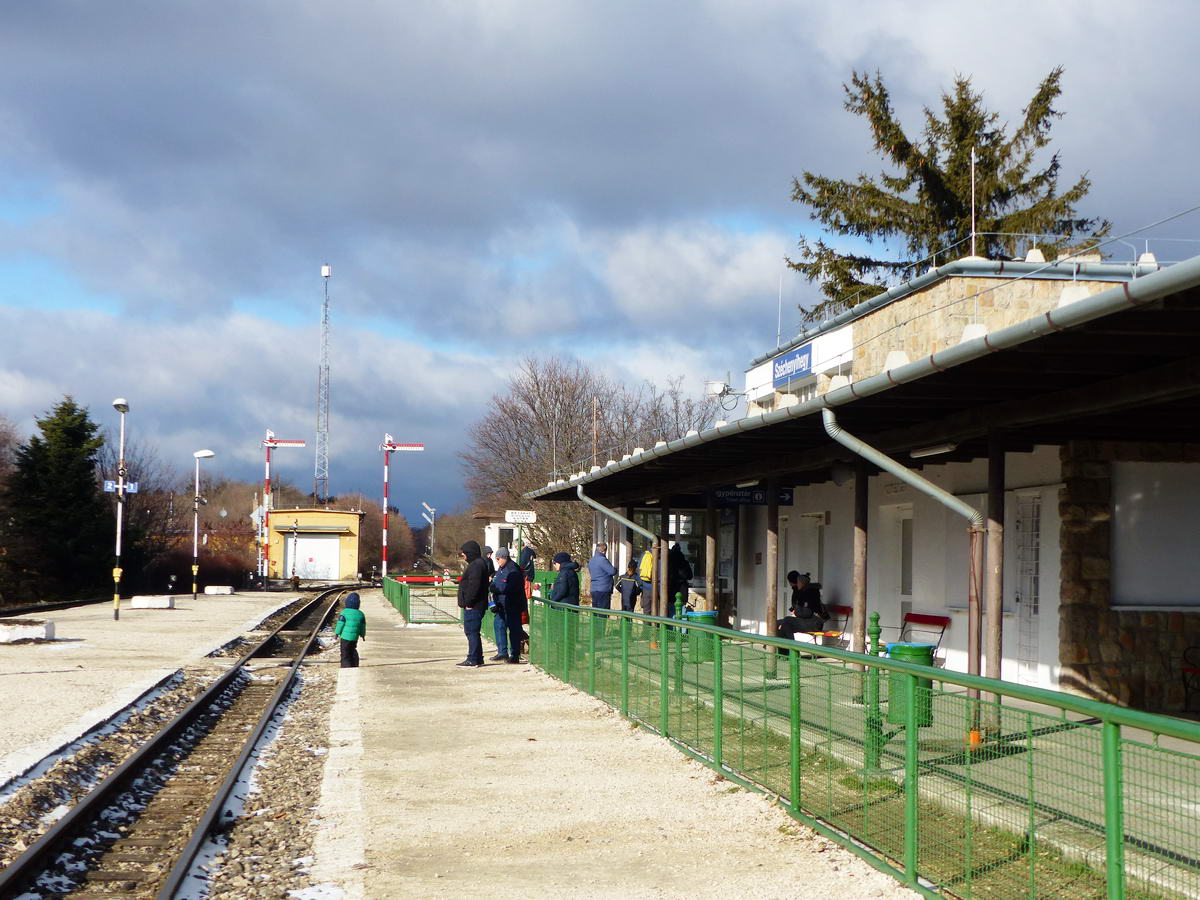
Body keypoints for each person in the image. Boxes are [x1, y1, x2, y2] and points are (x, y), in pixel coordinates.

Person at [490, 547, 528, 663]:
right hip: (501, 605)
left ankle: (515, 654)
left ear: (504, 558)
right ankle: (502, 652)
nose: (497, 561)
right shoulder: (501, 569)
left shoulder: (513, 570)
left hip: (512, 605)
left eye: (498, 559)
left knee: (514, 630)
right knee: (499, 626)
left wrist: (495, 588)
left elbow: (510, 588)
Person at [456, 540, 490, 667]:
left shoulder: (476, 565)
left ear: (470, 553)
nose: (463, 555)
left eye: (464, 553)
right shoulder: (478, 564)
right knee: (473, 631)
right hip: (476, 605)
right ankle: (478, 658)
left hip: (474, 606)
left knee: (471, 632)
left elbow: (474, 586)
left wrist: (468, 602)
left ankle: (473, 658)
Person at [777, 571, 829, 643]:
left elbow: (807, 613)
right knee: (785, 624)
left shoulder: (807, 593)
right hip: (813, 622)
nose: (797, 584)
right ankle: (786, 649)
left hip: (814, 624)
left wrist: (796, 612)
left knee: (787, 622)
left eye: (798, 582)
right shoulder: (809, 591)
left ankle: (790, 648)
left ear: (801, 583)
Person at [333, 592, 366, 668]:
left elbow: (340, 624)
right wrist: (362, 635)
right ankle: (354, 664)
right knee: (352, 650)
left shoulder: (344, 612)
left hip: (345, 637)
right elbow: (362, 626)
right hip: (354, 637)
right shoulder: (361, 614)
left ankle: (346, 666)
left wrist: (337, 633)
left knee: (345, 652)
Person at [667, 543, 693, 618]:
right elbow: (690, 576)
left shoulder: (669, 563)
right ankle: (683, 629)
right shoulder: (684, 563)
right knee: (682, 611)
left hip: (671, 590)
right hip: (682, 590)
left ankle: (672, 629)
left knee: (672, 611)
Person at [637, 548, 655, 615]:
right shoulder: (662, 554)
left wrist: (641, 586)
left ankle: (646, 624)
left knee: (646, 611)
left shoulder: (645, 555)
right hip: (658, 589)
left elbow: (639, 570)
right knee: (658, 612)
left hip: (646, 587)